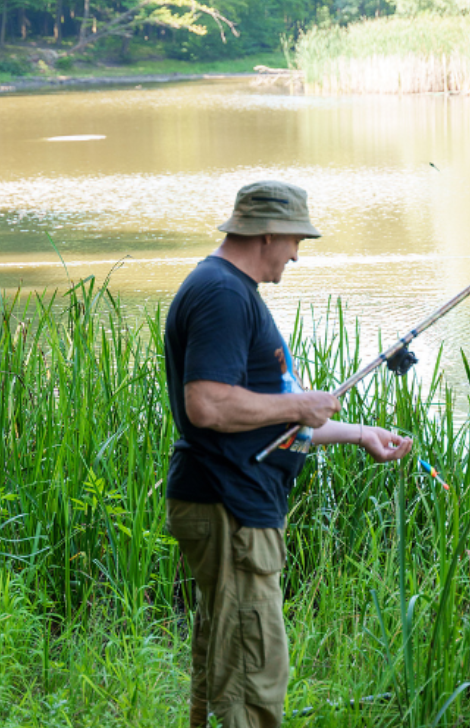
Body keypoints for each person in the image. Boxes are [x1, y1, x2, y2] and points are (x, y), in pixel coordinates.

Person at [164, 180, 414, 728]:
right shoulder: (224, 294)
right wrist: (298, 403)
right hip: (231, 507)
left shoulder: (226, 289)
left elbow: (257, 422)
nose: (298, 253)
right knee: (252, 679)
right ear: (268, 233)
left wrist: (357, 432)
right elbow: (207, 404)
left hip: (228, 501)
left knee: (226, 664)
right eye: (296, 240)